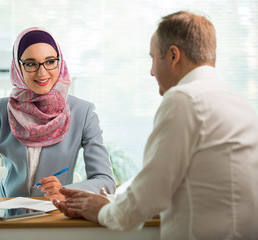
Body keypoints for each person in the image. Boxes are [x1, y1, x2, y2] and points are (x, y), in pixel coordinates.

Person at [53, 11, 258, 240]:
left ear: (173, 56)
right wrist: (114, 201)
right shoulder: (243, 106)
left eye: (152, 58)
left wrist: (100, 209)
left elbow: (151, 193)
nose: (151, 72)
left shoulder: (184, 99)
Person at [0, 27, 115, 204]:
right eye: (31, 64)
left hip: (53, 212)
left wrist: (65, 191)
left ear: (59, 62)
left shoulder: (83, 113)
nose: (42, 73)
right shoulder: (2, 110)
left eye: (50, 61)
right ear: (18, 67)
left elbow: (105, 181)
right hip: (3, 209)